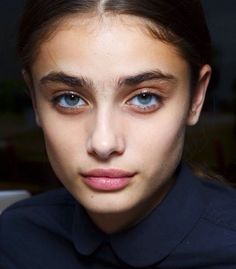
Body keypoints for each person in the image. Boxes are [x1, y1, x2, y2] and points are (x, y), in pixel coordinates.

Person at [1, 0, 236, 268]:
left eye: (145, 98)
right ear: (34, 100)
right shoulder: (14, 238)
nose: (103, 143)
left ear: (196, 97)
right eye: (69, 99)